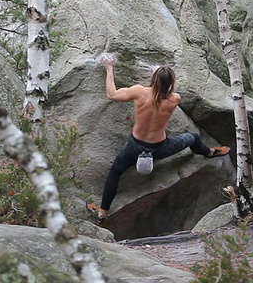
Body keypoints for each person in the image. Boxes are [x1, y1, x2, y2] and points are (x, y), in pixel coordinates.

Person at [87, 54, 230, 224]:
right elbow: (164, 92)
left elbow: (112, 94)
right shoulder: (174, 99)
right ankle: (209, 152)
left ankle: (103, 212)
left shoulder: (139, 92)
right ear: (170, 84)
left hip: (134, 146)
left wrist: (109, 67)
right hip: (160, 148)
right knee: (192, 137)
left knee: (115, 172)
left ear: (153, 79)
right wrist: (160, 76)